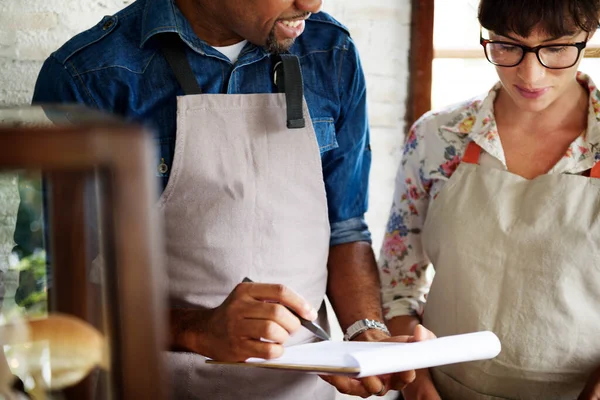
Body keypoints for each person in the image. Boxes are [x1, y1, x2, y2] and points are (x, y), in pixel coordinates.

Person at [31, 0, 419, 398]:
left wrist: (365, 332)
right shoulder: (88, 76)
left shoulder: (330, 51)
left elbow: (345, 228)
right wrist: (194, 329)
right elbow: (51, 289)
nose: (311, 3)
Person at [379, 0, 600, 399]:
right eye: (506, 46)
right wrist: (416, 382)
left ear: (589, 36)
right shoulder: (437, 137)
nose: (530, 73)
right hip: (442, 389)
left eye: (557, 47)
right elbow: (399, 279)